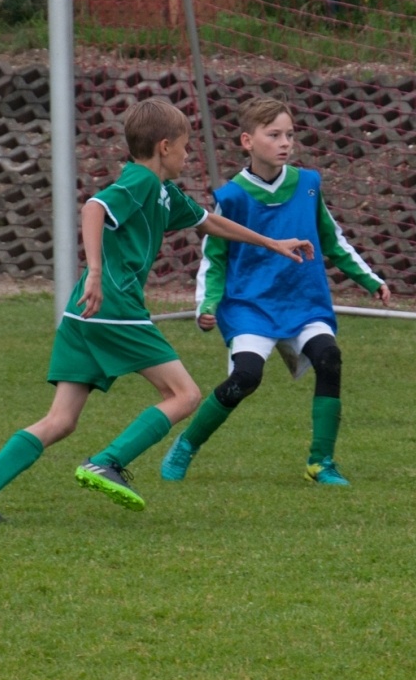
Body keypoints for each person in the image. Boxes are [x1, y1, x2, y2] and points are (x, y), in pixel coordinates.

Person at [0, 97, 314, 522]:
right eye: (184, 146)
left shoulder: (163, 193)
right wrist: (97, 270)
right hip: (113, 306)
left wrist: (272, 243)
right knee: (185, 394)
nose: (187, 153)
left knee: (61, 420)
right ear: (163, 147)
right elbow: (94, 208)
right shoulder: (140, 181)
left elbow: (209, 222)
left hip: (82, 314)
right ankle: (108, 462)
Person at [163, 97, 392, 486]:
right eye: (274, 135)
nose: (285, 142)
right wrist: (208, 303)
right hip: (249, 306)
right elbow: (214, 258)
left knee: (329, 357)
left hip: (303, 302)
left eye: (290, 134)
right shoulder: (231, 197)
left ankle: (321, 462)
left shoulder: (308, 184)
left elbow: (332, 241)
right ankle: (186, 444)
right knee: (246, 377)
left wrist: (371, 279)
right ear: (248, 141)